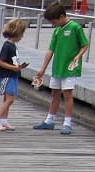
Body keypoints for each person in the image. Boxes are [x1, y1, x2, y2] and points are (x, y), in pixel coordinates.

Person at [32, 1, 90, 135]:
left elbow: (85, 44)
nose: (53, 24)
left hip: (69, 68)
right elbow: (50, 50)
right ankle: (50, 120)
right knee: (55, 94)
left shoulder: (75, 27)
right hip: (57, 67)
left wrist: (78, 56)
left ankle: (67, 123)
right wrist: (42, 69)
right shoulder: (57, 30)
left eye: (54, 21)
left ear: (62, 16)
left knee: (68, 94)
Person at [0, 18, 29, 131]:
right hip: (7, 75)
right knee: (10, 99)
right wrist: (14, 67)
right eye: (21, 34)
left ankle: (4, 120)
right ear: (17, 33)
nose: (22, 37)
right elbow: (0, 62)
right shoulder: (7, 46)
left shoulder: (13, 46)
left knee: (7, 99)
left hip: (13, 75)